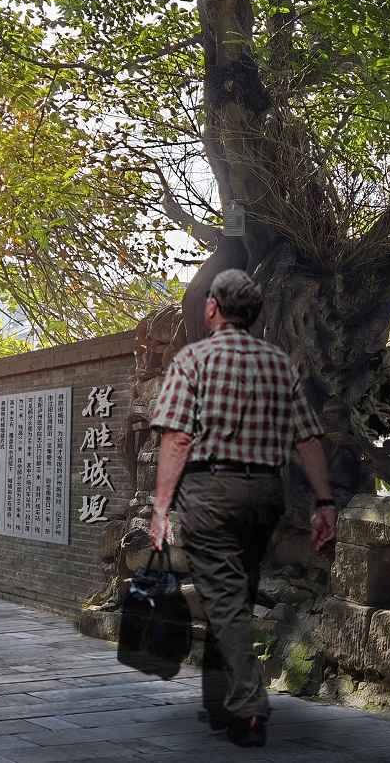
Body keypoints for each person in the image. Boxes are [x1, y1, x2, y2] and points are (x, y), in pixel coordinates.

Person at [147, 268, 337, 749]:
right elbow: (308, 440)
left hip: (210, 492)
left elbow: (176, 439)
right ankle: (226, 695)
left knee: (224, 593)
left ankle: (244, 700)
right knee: (236, 587)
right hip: (263, 494)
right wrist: (324, 501)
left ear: (212, 308)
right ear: (253, 315)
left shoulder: (192, 361)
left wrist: (161, 506)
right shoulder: (278, 364)